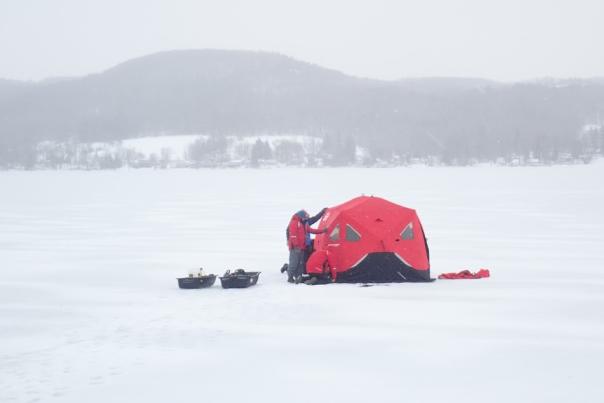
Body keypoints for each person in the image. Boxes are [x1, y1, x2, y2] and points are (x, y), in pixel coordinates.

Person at [285, 208, 327, 283]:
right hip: (296, 248)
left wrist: (322, 231)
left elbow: (311, 230)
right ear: (301, 217)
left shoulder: (304, 223)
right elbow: (293, 235)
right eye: (305, 217)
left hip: (302, 247)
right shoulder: (294, 223)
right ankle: (290, 277)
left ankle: (298, 276)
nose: (306, 219)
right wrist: (296, 245)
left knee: (300, 263)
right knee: (294, 263)